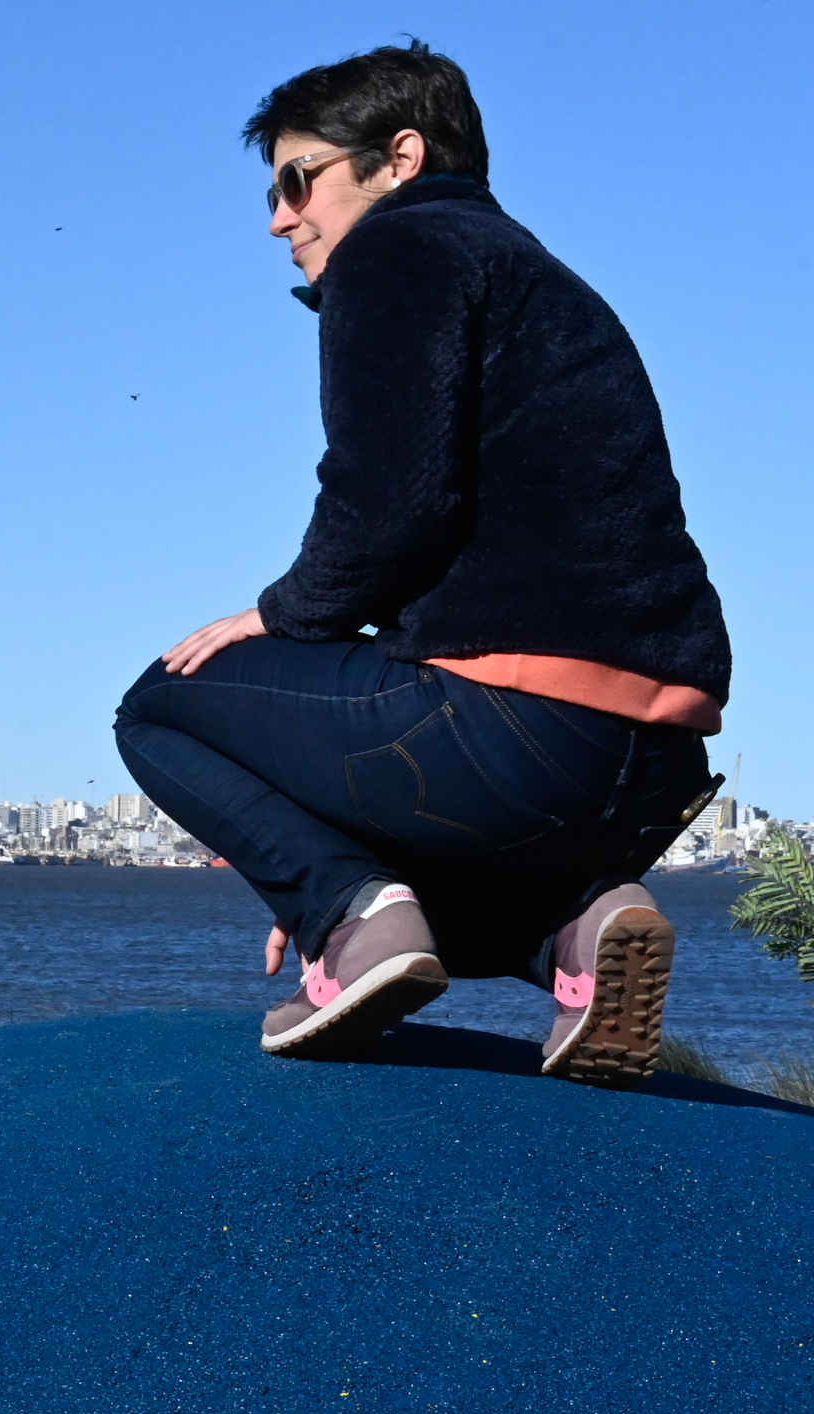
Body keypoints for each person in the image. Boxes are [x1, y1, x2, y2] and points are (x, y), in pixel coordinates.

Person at [112, 43, 724, 1080]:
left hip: (511, 731)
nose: (278, 218)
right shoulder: (541, 278)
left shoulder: (401, 251)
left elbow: (390, 496)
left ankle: (360, 919)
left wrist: (284, 612)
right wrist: (318, 877)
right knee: (420, 917)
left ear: (399, 157)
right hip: (644, 770)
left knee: (160, 704)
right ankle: (579, 927)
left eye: (296, 181)